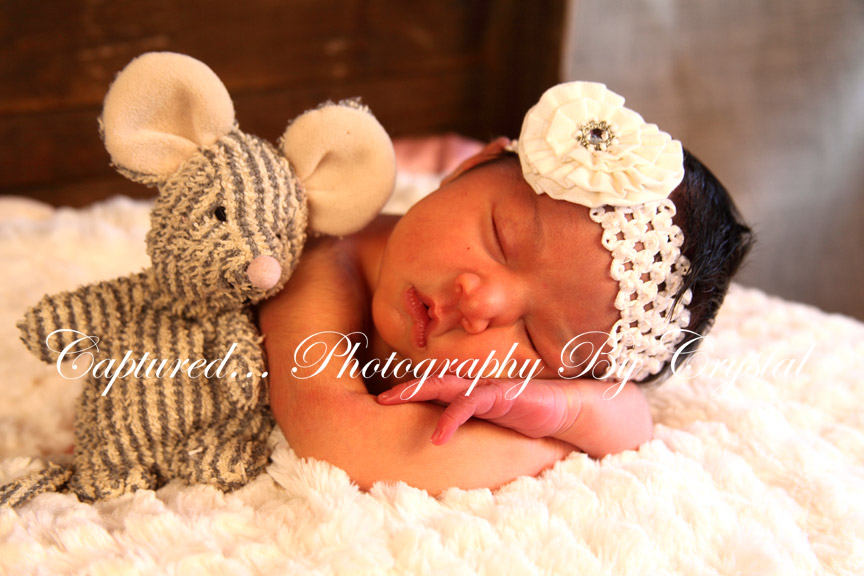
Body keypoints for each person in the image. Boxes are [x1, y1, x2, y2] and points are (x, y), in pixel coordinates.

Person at [257, 82, 753, 495]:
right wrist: (558, 444)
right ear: (469, 167)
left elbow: (631, 420)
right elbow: (344, 440)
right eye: (501, 238)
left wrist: (562, 409)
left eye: (537, 338)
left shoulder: (510, 386)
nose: (481, 303)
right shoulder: (327, 257)